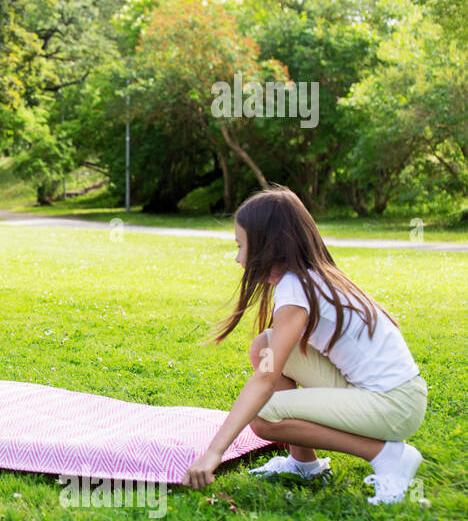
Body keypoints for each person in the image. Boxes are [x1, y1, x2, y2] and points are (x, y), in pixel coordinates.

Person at [183, 186, 427, 504]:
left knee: (265, 417)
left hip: (396, 405)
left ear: (268, 246)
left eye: (241, 246)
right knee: (265, 344)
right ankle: (304, 464)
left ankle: (388, 456)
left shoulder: (296, 290)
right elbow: (272, 360)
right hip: (384, 393)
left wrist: (213, 452)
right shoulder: (306, 279)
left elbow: (266, 379)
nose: (238, 258)